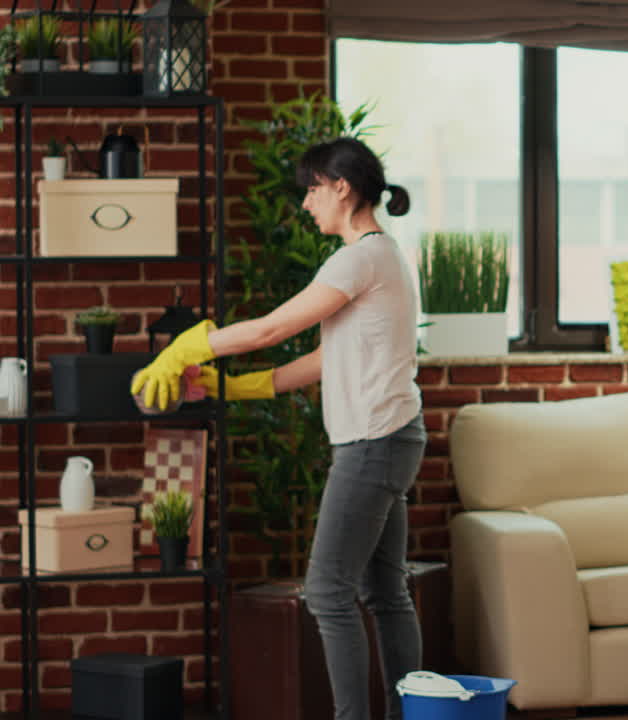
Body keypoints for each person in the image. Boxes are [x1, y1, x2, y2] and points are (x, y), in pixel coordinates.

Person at [131, 137, 426, 720]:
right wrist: (236, 386)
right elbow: (324, 360)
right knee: (386, 594)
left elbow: (269, 329)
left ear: (343, 187)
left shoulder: (358, 259)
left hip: (371, 445)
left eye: (313, 189)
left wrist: (189, 347)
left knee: (327, 592)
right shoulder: (382, 257)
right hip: (393, 438)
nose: (306, 203)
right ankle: (410, 714)